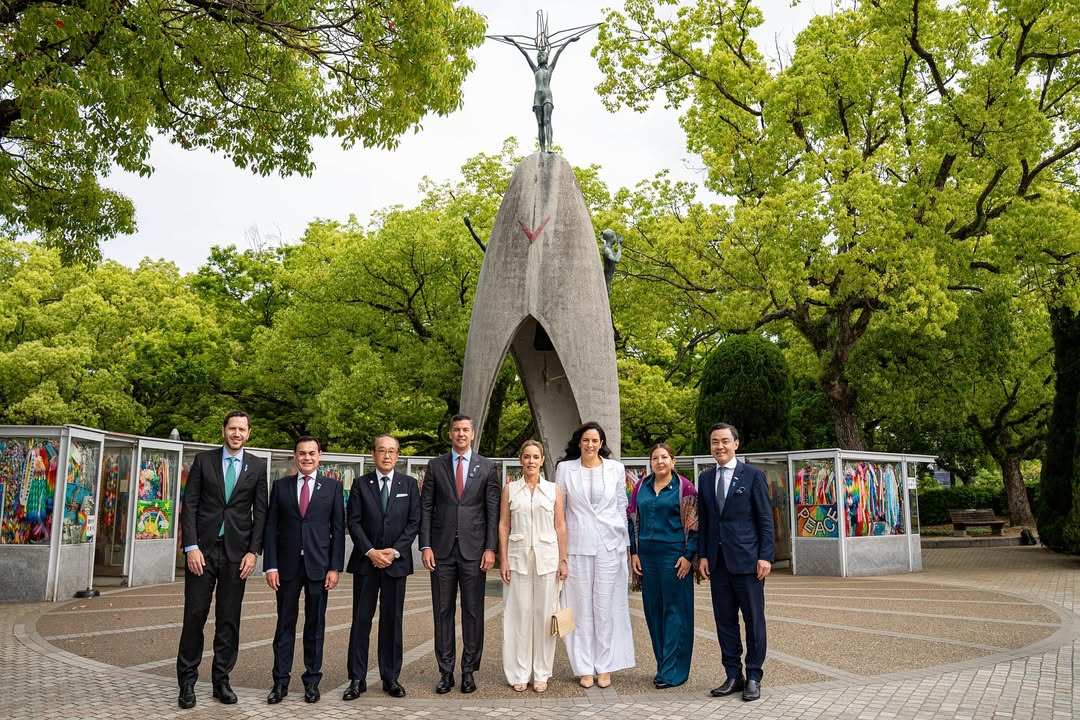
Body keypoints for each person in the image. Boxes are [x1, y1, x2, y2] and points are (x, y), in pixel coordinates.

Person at [176, 410, 268, 709]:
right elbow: (188, 505)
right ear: (223, 431)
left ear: (249, 433)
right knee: (194, 616)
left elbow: (261, 512)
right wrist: (190, 547)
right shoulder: (204, 461)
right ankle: (187, 684)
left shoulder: (257, 466)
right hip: (202, 551)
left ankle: (221, 681)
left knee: (229, 620)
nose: (237, 434)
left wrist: (253, 552)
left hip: (237, 555)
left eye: (242, 429)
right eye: (232, 428)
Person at [419, 414, 501, 694]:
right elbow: (426, 507)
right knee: (442, 612)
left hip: (474, 551)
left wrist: (491, 548)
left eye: (465, 430)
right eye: (456, 430)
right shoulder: (435, 466)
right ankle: (445, 672)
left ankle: (468, 670)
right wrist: (425, 545)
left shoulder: (487, 467)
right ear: (450, 434)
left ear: (473, 433)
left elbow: (493, 511)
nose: (461, 434)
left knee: (473, 612)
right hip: (440, 551)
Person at [263, 436, 345, 705]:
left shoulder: (332, 487)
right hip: (286, 568)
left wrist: (335, 567)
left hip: (319, 567)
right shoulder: (281, 486)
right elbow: (271, 529)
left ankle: (312, 681)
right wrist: (270, 566)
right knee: (284, 625)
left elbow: (338, 531)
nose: (307, 458)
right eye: (302, 453)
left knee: (315, 626)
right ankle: (280, 682)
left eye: (312, 453)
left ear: (320, 455)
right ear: (295, 456)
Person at [697, 422, 774, 702]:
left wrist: (765, 556)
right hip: (717, 565)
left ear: (736, 444)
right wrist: (703, 555)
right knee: (725, 622)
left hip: (748, 562)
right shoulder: (705, 479)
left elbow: (765, 519)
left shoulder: (752, 475)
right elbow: (705, 520)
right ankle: (733, 675)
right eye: (715, 442)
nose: (720, 446)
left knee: (754, 621)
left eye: (725, 441)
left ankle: (754, 675)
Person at [555, 421, 635, 688]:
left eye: (595, 440)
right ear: (579, 442)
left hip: (609, 547)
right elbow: (560, 512)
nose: (590, 444)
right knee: (580, 610)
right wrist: (561, 555)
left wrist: (625, 547)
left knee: (605, 608)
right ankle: (584, 667)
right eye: (586, 440)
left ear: (602, 443)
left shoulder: (615, 468)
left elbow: (622, 508)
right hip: (577, 547)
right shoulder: (565, 469)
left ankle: (605, 665)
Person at [343, 435, 420, 700]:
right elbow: (353, 522)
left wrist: (395, 551)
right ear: (373, 454)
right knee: (360, 621)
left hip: (396, 564)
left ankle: (390, 677)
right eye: (381, 451)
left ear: (398, 456)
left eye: (392, 452)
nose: (387, 456)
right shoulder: (360, 484)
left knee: (392, 621)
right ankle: (356, 678)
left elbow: (414, 523)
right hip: (366, 563)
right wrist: (371, 552)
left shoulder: (409, 485)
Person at [498, 440, 568, 693]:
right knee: (518, 616)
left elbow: (560, 525)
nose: (531, 461)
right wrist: (503, 559)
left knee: (544, 617)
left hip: (547, 560)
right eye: (526, 456)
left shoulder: (553, 490)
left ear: (541, 460)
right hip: (517, 560)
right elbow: (504, 525)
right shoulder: (510, 489)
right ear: (520, 459)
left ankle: (541, 672)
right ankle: (519, 672)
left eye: (535, 456)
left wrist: (563, 559)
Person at [628, 443, 698, 689]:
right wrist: (634, 553)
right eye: (655, 457)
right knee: (654, 612)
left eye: (664, 457)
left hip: (674, 558)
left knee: (675, 613)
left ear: (673, 461)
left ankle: (673, 672)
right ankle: (663, 665)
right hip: (647, 559)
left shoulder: (684, 487)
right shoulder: (640, 487)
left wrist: (689, 556)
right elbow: (632, 519)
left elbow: (695, 524)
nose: (659, 461)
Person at [502, 36, 578, 153]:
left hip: (547, 96)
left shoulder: (550, 69)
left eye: (542, 55)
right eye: (538, 56)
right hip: (537, 98)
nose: (540, 56)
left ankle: (549, 147)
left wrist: (570, 40)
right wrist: (513, 42)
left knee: (547, 120)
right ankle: (542, 149)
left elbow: (559, 50)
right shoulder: (535, 70)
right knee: (540, 123)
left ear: (547, 57)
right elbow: (525, 53)